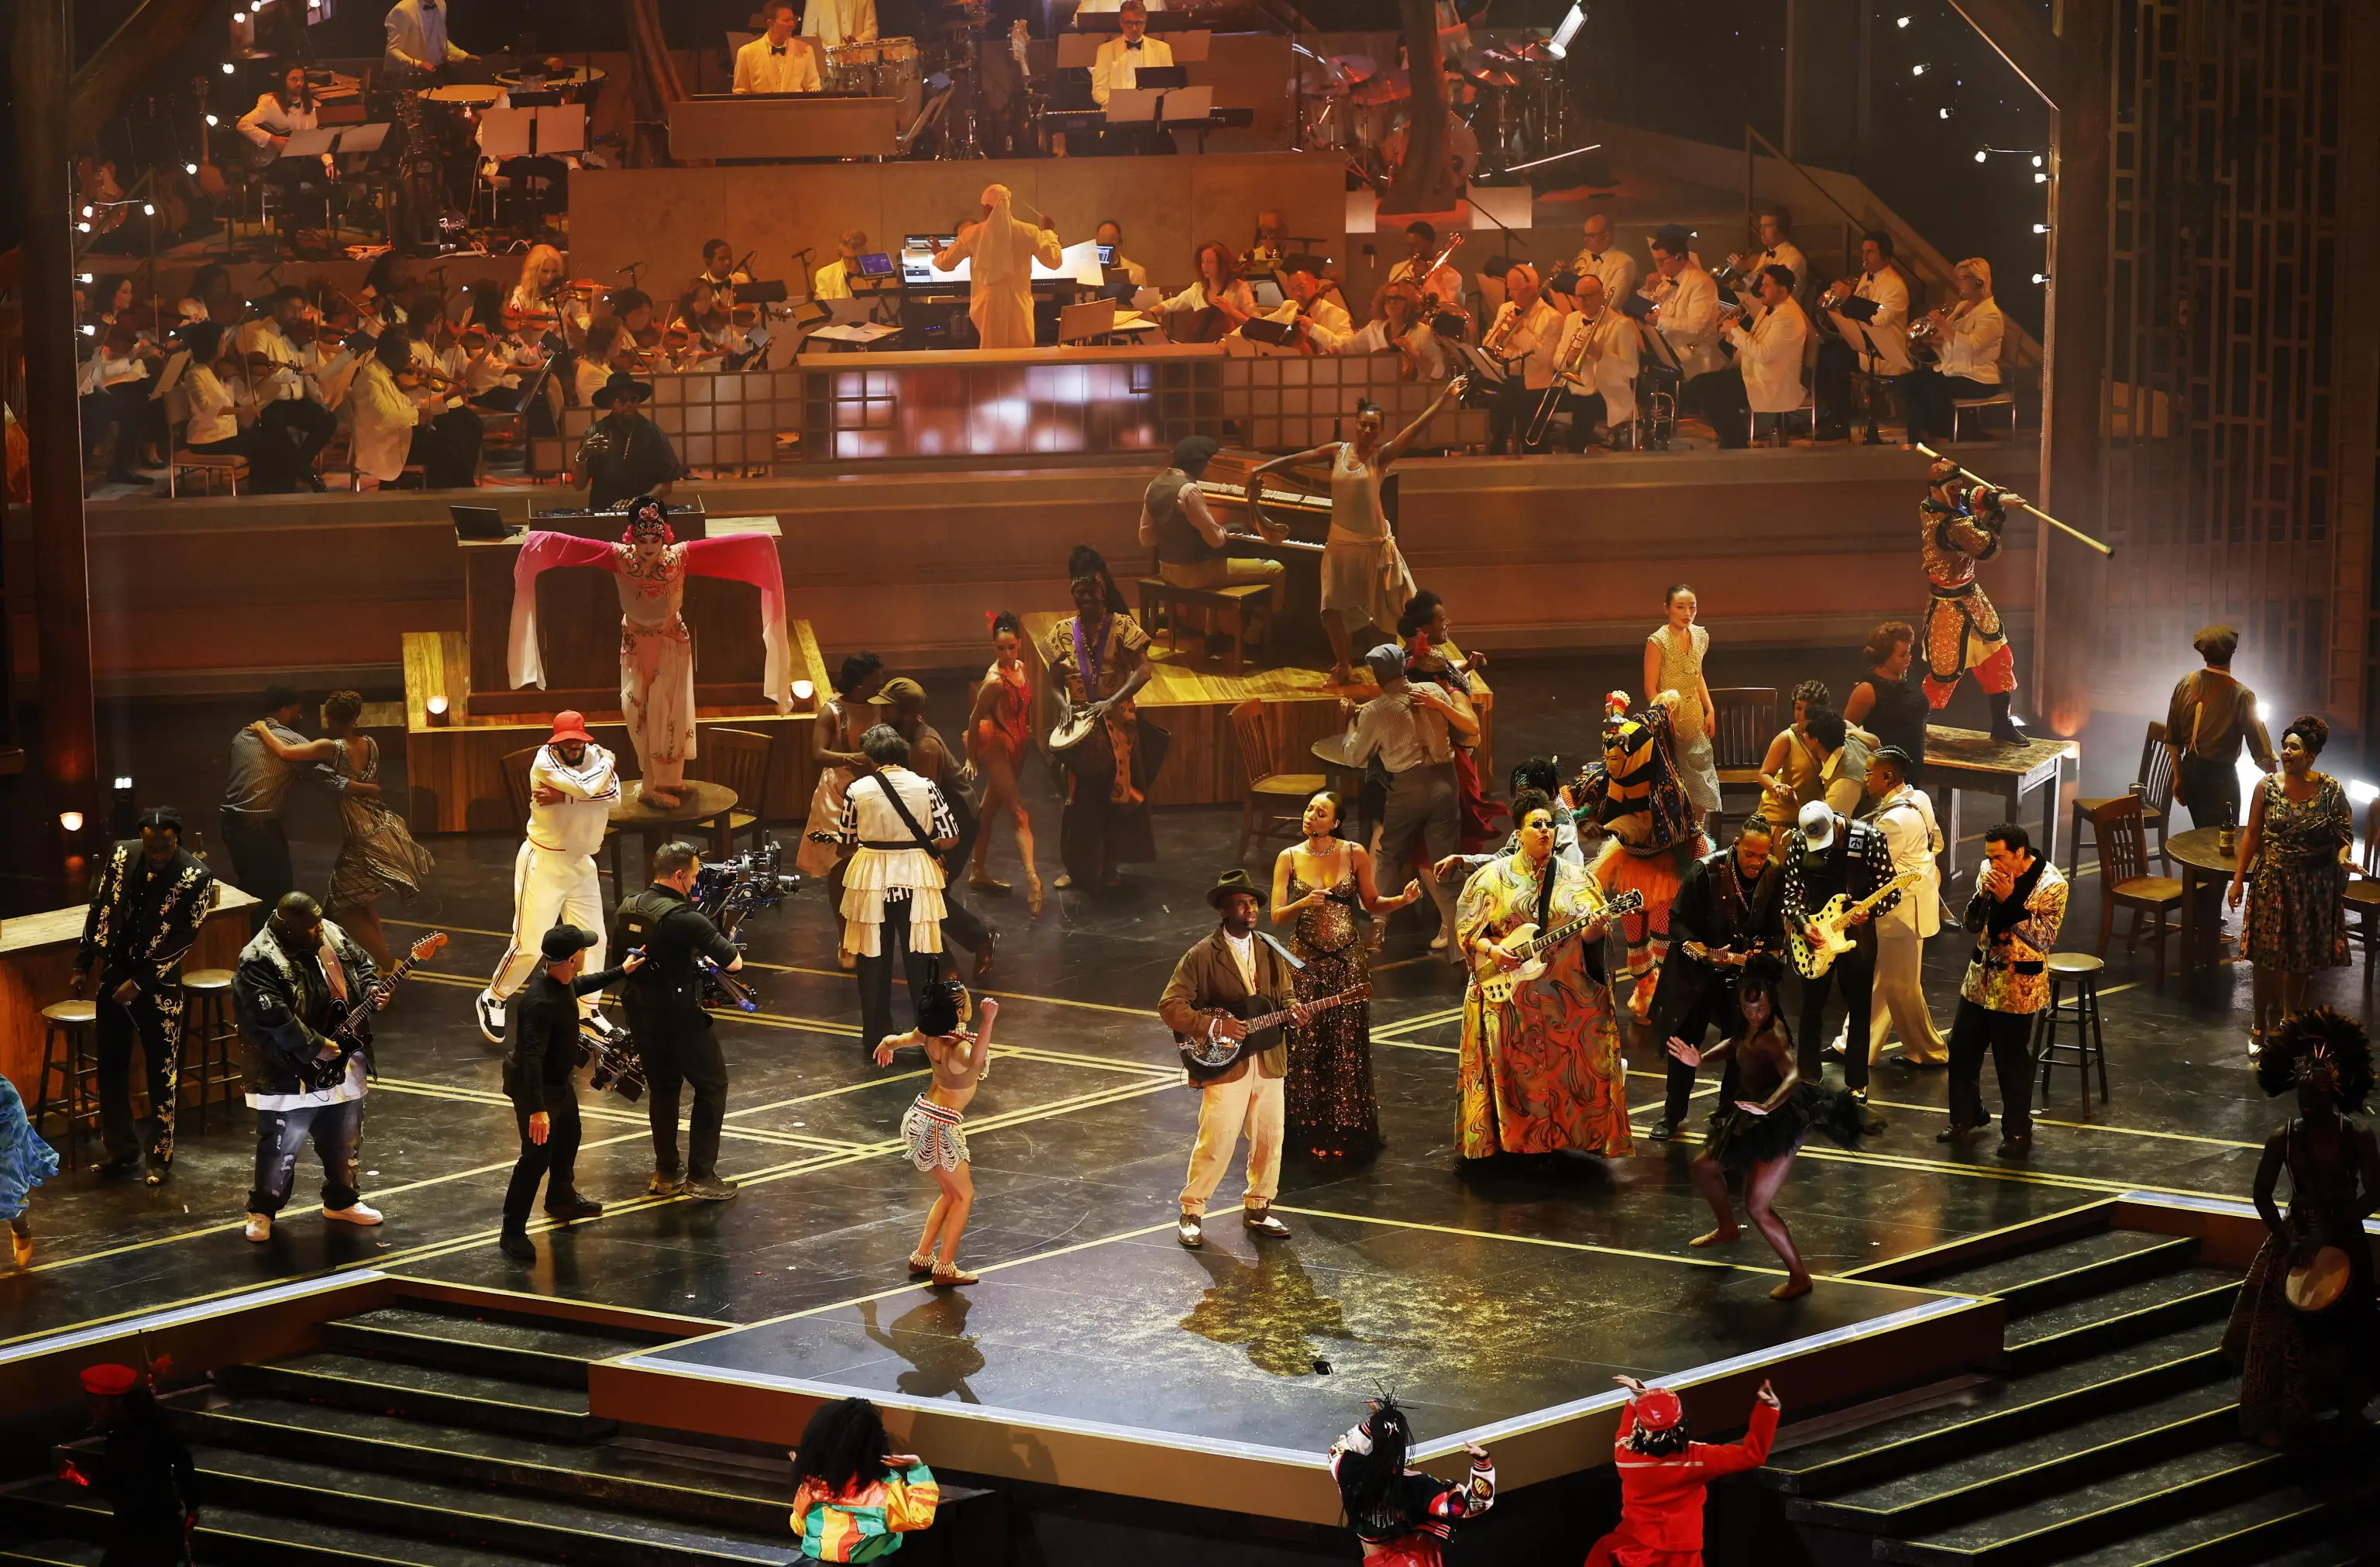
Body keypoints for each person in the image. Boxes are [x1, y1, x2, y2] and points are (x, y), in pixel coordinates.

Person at [506, 495, 792, 809]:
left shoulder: (678, 557)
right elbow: (573, 547)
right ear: (632, 536)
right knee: (638, 710)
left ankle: (665, 781)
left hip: (671, 641)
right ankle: (650, 783)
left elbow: (726, 548)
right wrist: (537, 541)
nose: (649, 546)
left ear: (665, 534)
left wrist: (763, 543)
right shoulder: (618, 557)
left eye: (655, 538)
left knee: (670, 709)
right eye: (642, 539)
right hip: (636, 644)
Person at [1670, 953, 1876, 1297]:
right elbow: (1736, 1044)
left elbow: (1796, 1075)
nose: (1754, 1016)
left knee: (1756, 1206)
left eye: (1760, 1010)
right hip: (1753, 1110)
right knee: (1704, 1167)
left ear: (1771, 1004)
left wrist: (1767, 1106)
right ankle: (1726, 1227)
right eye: (1748, 1010)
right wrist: (1701, 1058)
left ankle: (1800, 1277)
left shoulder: (1774, 1034)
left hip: (1781, 1117)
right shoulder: (1747, 1026)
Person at [2224, 1008, 2379, 1448]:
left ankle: (2349, 1410)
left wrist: (2327, 1236)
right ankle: (2283, 1412)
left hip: (2343, 1238)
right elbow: (2260, 1194)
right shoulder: (2284, 1138)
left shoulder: (2358, 1137)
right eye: (2302, 1094)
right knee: (2284, 1335)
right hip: (2296, 1244)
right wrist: (2287, 1238)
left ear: (2333, 1091)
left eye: (2314, 1094)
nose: (2306, 1103)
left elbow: (2376, 1192)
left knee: (2352, 1327)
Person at [1457, 789, 1632, 1160]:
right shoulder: (1492, 878)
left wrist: (1597, 928)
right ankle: (1514, 1140)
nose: (1544, 831)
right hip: (1511, 999)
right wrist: (1493, 950)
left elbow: (1591, 938)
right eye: (1536, 825)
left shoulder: (1577, 878)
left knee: (1568, 1071)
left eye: (1550, 825)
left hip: (1562, 999)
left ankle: (1568, 1136)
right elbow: (1468, 931)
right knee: (1518, 1075)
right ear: (1518, 832)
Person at [1250, 383, 1460, 684]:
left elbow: (1416, 429)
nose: (1366, 430)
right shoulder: (1337, 451)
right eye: (1363, 424)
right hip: (1341, 543)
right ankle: (1343, 666)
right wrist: (1264, 468)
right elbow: (1298, 459)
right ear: (1355, 424)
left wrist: (1444, 399)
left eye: (1373, 427)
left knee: (1400, 607)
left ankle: (1413, 663)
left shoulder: (1382, 457)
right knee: (1331, 607)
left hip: (1374, 546)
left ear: (1379, 430)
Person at [1272, 790, 1421, 1160]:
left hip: (1346, 962)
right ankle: (1304, 1128)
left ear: (1335, 822)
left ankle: (1345, 1126)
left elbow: (1371, 903)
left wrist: (1401, 900)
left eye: (1320, 812)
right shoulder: (1288, 858)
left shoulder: (1355, 852)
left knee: (1345, 1045)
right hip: (1305, 962)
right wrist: (1302, 903)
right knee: (1305, 1044)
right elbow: (1276, 915)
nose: (1311, 816)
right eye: (1309, 809)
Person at [239, 691, 432, 973]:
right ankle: (383, 961)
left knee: (342, 906)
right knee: (361, 902)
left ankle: (389, 964)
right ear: (356, 717)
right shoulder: (370, 743)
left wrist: (260, 728)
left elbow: (285, 752)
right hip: (383, 826)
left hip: (365, 838)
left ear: (328, 718)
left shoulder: (332, 747)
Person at [73, 808, 216, 1185]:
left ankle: (160, 1156)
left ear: (177, 840)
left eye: (165, 847)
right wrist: (83, 961)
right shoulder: (121, 853)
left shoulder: (195, 877)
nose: (157, 854)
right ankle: (120, 1150)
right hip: (115, 972)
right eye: (151, 846)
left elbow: (183, 938)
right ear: (141, 839)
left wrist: (141, 982)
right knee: (111, 1067)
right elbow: (100, 907)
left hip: (159, 984)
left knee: (162, 1072)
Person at [1161, 870, 1303, 1247]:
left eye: (1253, 903)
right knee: (1218, 1137)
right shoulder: (1203, 954)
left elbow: (1285, 993)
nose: (1250, 909)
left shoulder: (1271, 947)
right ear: (1224, 909)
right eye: (1242, 903)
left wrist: (1294, 1009)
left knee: (1270, 1137)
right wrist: (1213, 1026)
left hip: (1269, 1058)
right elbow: (1171, 1006)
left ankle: (1259, 1206)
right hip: (1228, 1062)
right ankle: (1192, 1210)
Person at [234, 891, 383, 1242]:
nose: (320, 930)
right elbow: (271, 1016)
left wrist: (373, 987)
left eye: (319, 922)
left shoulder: (328, 931)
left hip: (342, 1056)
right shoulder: (258, 958)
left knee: (346, 1138)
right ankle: (263, 1210)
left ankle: (342, 1200)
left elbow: (362, 964)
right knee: (281, 1145)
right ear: (288, 927)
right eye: (311, 926)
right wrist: (315, 1045)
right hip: (286, 1066)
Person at [476, 712, 621, 1044]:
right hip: (543, 861)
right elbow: (589, 788)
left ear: (585, 738)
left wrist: (567, 799)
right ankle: (494, 996)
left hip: (582, 863)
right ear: (556, 741)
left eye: (576, 739)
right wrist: (606, 768)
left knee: (594, 940)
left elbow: (614, 797)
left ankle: (588, 1010)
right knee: (529, 944)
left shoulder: (596, 758)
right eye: (565, 740)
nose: (571, 745)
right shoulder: (544, 762)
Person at [617, 842, 747, 1201]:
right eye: (692, 876)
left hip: (640, 1012)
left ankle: (665, 1173)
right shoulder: (685, 918)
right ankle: (701, 1176)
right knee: (712, 1085)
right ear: (678, 875)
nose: (694, 883)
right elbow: (733, 963)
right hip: (678, 1016)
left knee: (663, 1089)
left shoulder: (629, 905)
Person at [500, 925, 638, 1260]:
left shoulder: (560, 983)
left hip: (559, 1083)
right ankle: (512, 1231)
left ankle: (560, 1198)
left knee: (569, 1137)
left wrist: (623, 970)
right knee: (535, 1159)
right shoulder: (541, 1002)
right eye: (583, 950)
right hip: (538, 1090)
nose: (586, 954)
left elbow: (580, 985)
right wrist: (537, 1109)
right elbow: (531, 1058)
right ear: (573, 958)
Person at [1577, 691, 1710, 1021]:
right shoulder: (1608, 774)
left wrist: (1699, 866)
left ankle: (1663, 990)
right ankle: (1645, 986)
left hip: (1664, 867)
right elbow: (1587, 801)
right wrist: (1587, 820)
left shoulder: (1669, 791)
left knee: (1664, 934)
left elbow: (1689, 830)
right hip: (1633, 864)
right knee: (1634, 933)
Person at [1646, 817, 1780, 1140]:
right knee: (1684, 1044)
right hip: (1694, 973)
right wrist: (1704, 951)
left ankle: (1727, 1115)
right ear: (1737, 846)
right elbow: (1677, 924)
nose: (1756, 863)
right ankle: (1672, 1114)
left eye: (1762, 856)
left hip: (1737, 976)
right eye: (1750, 854)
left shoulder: (1773, 873)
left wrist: (1763, 955)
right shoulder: (1705, 872)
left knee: (1740, 1046)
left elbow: (1774, 927)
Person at [1344, 643, 1479, 956]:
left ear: (1378, 674)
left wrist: (1352, 721)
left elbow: (1354, 756)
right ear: (1403, 668)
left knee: (1389, 853)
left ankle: (1378, 925)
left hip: (1407, 789)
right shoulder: (1433, 690)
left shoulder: (1376, 710)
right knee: (1445, 863)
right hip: (1446, 783)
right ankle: (1461, 949)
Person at [2229, 715, 2354, 1052]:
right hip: (2273, 882)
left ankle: (2289, 1021)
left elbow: (2344, 835)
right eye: (2284, 746)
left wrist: (2343, 857)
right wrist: (2238, 880)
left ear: (2311, 755)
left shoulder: (2331, 790)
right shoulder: (2266, 787)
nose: (2285, 753)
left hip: (2312, 886)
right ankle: (2259, 1025)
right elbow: (2252, 835)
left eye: (2293, 748)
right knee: (2266, 959)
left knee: (2299, 960)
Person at [1941, 823, 2067, 1154]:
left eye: (1999, 857)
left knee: (2011, 1062)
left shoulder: (2052, 884)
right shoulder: (1988, 871)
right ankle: (1966, 1116)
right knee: (1962, 1048)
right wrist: (1983, 898)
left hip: (2017, 986)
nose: (1993, 863)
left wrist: (2010, 902)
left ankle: (2017, 1133)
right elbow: (1972, 923)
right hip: (1981, 979)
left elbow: (2043, 938)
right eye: (1989, 857)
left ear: (2020, 853)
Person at [836, 725, 960, 1051]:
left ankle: (876, 1036)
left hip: (871, 878)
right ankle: (927, 1035)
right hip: (917, 876)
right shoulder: (927, 786)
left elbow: (845, 841)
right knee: (921, 958)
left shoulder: (857, 789)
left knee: (872, 958)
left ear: (872, 757)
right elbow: (950, 837)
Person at [1046, 551, 1162, 891]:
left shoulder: (1123, 627)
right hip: (1081, 723)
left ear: (1102, 590)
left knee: (1115, 797)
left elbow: (1144, 670)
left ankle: (1110, 865)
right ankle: (1078, 867)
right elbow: (1053, 684)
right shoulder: (1061, 632)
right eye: (1078, 592)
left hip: (1117, 725)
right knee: (1078, 800)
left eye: (1091, 591)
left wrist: (1112, 700)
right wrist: (1063, 704)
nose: (1085, 598)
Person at [875, 980, 998, 1286]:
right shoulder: (960, 1047)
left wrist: (886, 1045)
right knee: (963, 1195)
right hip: (939, 1125)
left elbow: (895, 1039)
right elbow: (978, 1060)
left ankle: (922, 1256)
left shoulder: (929, 1035)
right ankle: (945, 1268)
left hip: (921, 1117)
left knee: (951, 1193)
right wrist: (989, 1021)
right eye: (967, 1000)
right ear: (958, 1010)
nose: (971, 1001)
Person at [875, 677, 998, 982]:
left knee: (925, 892)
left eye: (887, 709)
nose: (881, 714)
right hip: (936, 825)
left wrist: (928, 852)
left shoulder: (923, 748)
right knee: (920, 893)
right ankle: (949, 960)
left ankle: (974, 942)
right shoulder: (906, 734)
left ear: (904, 713)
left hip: (954, 825)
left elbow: (924, 804)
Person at [1584, 1378, 1781, 1566]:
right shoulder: (1697, 1459)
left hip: (1637, 1548)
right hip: (1681, 1555)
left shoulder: (1626, 1458)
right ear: (1682, 1423)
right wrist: (1768, 1410)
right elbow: (1752, 1455)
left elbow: (1624, 1432)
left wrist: (1638, 1399)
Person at [222, 685, 370, 934]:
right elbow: (327, 779)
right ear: (283, 711)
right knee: (276, 895)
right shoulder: (290, 739)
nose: (300, 717)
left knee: (250, 889)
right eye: (297, 711)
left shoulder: (241, 736)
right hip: (260, 831)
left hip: (229, 826)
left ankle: (248, 944)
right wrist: (368, 789)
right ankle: (270, 949)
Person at [1780, 797, 1897, 1096]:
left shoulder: (1869, 838)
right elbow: (1791, 892)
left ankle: (1857, 1083)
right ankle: (1807, 1075)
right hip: (1813, 934)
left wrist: (1870, 909)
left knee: (1860, 1008)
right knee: (1810, 1008)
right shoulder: (1799, 840)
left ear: (1835, 822)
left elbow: (1890, 891)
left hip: (1856, 933)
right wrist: (1804, 925)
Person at [1137, 434, 1285, 642]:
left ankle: (1211, 633)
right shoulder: (1189, 490)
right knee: (1276, 569)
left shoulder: (1154, 485)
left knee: (1216, 559)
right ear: (1200, 464)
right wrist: (1228, 529)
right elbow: (1215, 540)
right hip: (1195, 574)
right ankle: (1260, 633)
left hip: (1166, 570)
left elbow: (1145, 538)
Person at [1917, 460, 2023, 742]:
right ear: (1935, 490)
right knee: (1945, 673)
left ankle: (2002, 724)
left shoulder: (1945, 504)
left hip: (1971, 596)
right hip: (1947, 605)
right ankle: (1914, 726)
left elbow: (1971, 497)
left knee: (2000, 657)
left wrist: (1998, 497)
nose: (1957, 492)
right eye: (1951, 487)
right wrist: (1999, 514)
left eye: (1957, 486)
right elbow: (1987, 548)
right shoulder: (1949, 523)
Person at [1329, 1397, 1495, 1565]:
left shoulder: (1351, 1473)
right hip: (1413, 1558)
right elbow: (1474, 1504)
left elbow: (1336, 1452)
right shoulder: (1416, 1487)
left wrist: (1373, 1426)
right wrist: (1483, 1464)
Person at [1862, 747, 1948, 1069]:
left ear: (1889, 776)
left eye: (1870, 772)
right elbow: (1936, 843)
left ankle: (1929, 1050)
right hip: (1918, 899)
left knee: (1902, 987)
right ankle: (1856, 1044)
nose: (1865, 777)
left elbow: (1877, 869)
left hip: (1901, 911)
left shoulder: (1893, 821)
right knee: (1887, 980)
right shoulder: (1920, 798)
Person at [801, 653, 889, 962]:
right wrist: (850, 759)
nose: (881, 682)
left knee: (872, 867)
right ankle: (845, 940)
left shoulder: (880, 706)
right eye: (875, 677)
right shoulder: (832, 712)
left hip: (872, 794)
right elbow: (817, 753)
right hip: (837, 794)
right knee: (840, 869)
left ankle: (869, 931)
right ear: (858, 680)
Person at [64, 1363, 196, 1567]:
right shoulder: (155, 1422)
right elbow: (183, 1460)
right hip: (165, 1528)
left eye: (96, 1405)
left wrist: (82, 1479)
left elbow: (127, 1491)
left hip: (140, 1535)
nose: (92, 1413)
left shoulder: (125, 1441)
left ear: (117, 1403)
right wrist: (192, 1505)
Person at [786, 1397, 939, 1563]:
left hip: (815, 1559)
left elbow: (798, 1526)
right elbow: (920, 1518)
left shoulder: (811, 1483)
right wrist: (917, 1467)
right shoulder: (886, 1488)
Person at [966, 613, 1042, 917]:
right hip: (997, 745)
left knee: (987, 811)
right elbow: (975, 717)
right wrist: (972, 756)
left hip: (1018, 745)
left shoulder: (1022, 669)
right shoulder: (994, 682)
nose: (1007, 654)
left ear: (1019, 645)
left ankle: (977, 871)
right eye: (1001, 648)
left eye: (1011, 647)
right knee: (1017, 811)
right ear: (994, 647)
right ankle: (1033, 879)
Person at [2165, 623, 2276, 830]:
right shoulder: (2242, 695)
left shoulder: (2184, 684)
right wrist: (2280, 786)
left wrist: (2178, 777)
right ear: (2232, 652)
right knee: (2222, 842)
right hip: (2220, 780)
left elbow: (2172, 738)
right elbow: (2262, 751)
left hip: (2190, 774)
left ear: (2204, 654)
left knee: (2201, 834)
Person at [179, 322, 309, 494]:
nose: (226, 346)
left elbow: (246, 399)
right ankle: (265, 491)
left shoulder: (222, 372)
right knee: (265, 446)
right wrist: (241, 411)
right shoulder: (194, 374)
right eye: (222, 341)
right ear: (212, 345)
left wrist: (269, 375)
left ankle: (281, 489)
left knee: (275, 438)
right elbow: (206, 408)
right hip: (207, 439)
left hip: (228, 434)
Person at [933, 185, 1061, 350]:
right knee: (1022, 354)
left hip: (989, 304)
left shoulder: (972, 233)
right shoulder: (1029, 231)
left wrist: (938, 253)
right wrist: (1049, 232)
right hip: (1020, 301)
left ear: (986, 207)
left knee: (992, 355)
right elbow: (1054, 261)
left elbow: (946, 264)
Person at [236, 284, 340, 479]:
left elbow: (321, 369)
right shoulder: (258, 334)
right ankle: (300, 472)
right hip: (270, 402)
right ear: (276, 307)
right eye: (292, 309)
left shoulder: (298, 334)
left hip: (295, 402)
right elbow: (257, 372)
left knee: (327, 421)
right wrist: (291, 373)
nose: (298, 315)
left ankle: (297, 468)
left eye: (301, 310)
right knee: (280, 438)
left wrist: (316, 357)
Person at [1815, 229, 1911, 439]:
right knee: (1824, 352)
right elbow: (1853, 313)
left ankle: (1842, 420)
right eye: (1863, 251)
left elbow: (1878, 319)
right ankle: (1833, 412)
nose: (1865, 257)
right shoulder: (1866, 279)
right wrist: (1834, 307)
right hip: (1865, 345)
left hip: (1884, 352)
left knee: (1834, 358)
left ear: (1885, 256)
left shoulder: (1895, 285)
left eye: (1870, 252)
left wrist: (1848, 298)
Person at [1902, 257, 2006, 446]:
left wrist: (1943, 326)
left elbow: (1972, 347)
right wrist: (1933, 341)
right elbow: (1953, 340)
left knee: (1937, 386)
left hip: (1979, 377)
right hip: (1956, 369)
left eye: (1963, 278)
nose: (1959, 283)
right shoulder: (1961, 307)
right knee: (1911, 381)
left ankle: (1941, 438)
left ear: (1978, 281)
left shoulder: (1991, 314)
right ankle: (1919, 435)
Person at [1708, 264, 1811, 448]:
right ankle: (1734, 438)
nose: (1761, 289)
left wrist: (1735, 329)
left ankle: (1734, 441)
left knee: (1712, 391)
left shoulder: (1787, 317)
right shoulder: (1770, 307)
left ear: (1783, 290)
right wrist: (1730, 332)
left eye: (1767, 285)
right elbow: (1755, 342)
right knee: (1701, 385)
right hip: (1755, 373)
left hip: (1771, 381)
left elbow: (1763, 354)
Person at [1645, 584, 1721, 818]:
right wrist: (1663, 718)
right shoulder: (1658, 642)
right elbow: (1650, 687)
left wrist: (1710, 710)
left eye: (1692, 607)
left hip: (1695, 717)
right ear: (1667, 608)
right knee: (1675, 784)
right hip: (1670, 719)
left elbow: (1698, 676)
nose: (1687, 613)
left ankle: (1699, 835)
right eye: (1680, 607)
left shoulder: (1699, 635)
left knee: (1701, 780)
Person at [1483, 263, 1566, 455]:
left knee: (1530, 439)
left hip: (1534, 387)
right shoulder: (1506, 308)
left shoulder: (1553, 318)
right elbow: (1488, 342)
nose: (1510, 295)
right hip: (1506, 379)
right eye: (1509, 289)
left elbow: (1546, 358)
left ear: (1532, 291)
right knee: (1496, 430)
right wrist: (1498, 338)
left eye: (1515, 290)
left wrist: (1520, 333)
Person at [1547, 274, 1638, 448]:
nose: (1582, 301)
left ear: (1602, 295)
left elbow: (1632, 369)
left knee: (1583, 409)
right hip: (1575, 387)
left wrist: (1601, 354)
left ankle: (1577, 457)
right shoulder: (1572, 319)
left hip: (1606, 392)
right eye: (1579, 296)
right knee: (1536, 401)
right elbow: (1557, 358)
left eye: (1588, 296)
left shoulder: (1621, 325)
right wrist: (1569, 360)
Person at [1642, 224, 1725, 414]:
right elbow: (1654, 309)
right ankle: (1652, 418)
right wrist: (1648, 291)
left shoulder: (1701, 283)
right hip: (1669, 348)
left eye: (1662, 261)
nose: (1659, 267)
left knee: (1646, 362)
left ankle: (1664, 417)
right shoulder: (1667, 279)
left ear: (1679, 257)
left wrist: (1659, 321)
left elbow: (1696, 327)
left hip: (1693, 353)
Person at [572, 372, 684, 511]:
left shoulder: (653, 433)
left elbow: (666, 485)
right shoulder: (596, 432)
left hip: (642, 513)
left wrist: (639, 502)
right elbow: (578, 485)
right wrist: (581, 457)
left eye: (634, 399)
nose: (629, 404)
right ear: (610, 403)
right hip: (602, 511)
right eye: (622, 400)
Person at [1843, 621, 1929, 789]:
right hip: (1886, 776)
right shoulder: (1867, 690)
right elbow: (1846, 731)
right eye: (1902, 654)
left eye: (1909, 652)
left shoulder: (1905, 678)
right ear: (1884, 657)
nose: (1909, 658)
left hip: (1912, 768)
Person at [1756, 679, 1833, 834]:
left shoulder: (1831, 736)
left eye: (1809, 709)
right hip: (1783, 814)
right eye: (1798, 708)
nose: (1802, 715)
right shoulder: (1786, 738)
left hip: (1815, 813)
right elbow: (1764, 774)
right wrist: (1778, 787)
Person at [1, 1072, 57, 1267]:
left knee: (9, 1196)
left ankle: (20, 1225)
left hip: (4, 1137)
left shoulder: (5, 1093)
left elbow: (20, 1129)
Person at [1160, 242, 1257, 339]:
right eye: (1203, 262)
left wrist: (1232, 312)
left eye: (1211, 262)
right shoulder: (1198, 289)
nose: (1205, 266)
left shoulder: (1240, 288)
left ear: (1222, 264)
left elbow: (1258, 325)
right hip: (1200, 349)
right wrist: (1151, 312)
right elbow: (1172, 304)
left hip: (1231, 347)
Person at [735, 2, 824, 92]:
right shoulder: (746, 53)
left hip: (794, 106)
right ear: (770, 23)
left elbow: (813, 87)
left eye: (792, 20)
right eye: (786, 20)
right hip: (761, 106)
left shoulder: (806, 50)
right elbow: (741, 92)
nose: (792, 24)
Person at [1385, 220, 1463, 316]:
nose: (1410, 250)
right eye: (1409, 245)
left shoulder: (1452, 275)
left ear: (1429, 243)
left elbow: (1446, 308)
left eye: (1415, 246)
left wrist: (1427, 280)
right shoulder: (1397, 269)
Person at [383, 0, 472, 80]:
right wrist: (418, 65)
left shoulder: (441, 4)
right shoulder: (402, 10)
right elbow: (393, 50)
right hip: (410, 78)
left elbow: (441, 42)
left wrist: (463, 57)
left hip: (437, 73)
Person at [1570, 212, 1639, 304]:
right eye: (1585, 235)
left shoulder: (1625, 262)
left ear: (1607, 236)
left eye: (1591, 236)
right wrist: (1564, 278)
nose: (1585, 240)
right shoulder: (1584, 256)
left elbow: (1612, 303)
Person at [813, 230, 869, 301]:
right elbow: (826, 308)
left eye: (857, 258)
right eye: (849, 259)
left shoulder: (877, 272)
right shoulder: (825, 275)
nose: (854, 263)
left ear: (865, 252)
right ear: (840, 253)